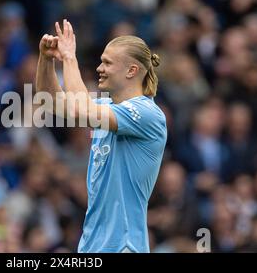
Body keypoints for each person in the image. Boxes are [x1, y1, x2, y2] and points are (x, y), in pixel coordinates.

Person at [35, 19, 167, 252]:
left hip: (124, 247)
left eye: (107, 63)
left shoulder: (148, 113)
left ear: (131, 70)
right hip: (92, 246)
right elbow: (49, 100)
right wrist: (46, 60)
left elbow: (82, 109)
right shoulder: (105, 107)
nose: (99, 68)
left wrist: (69, 57)